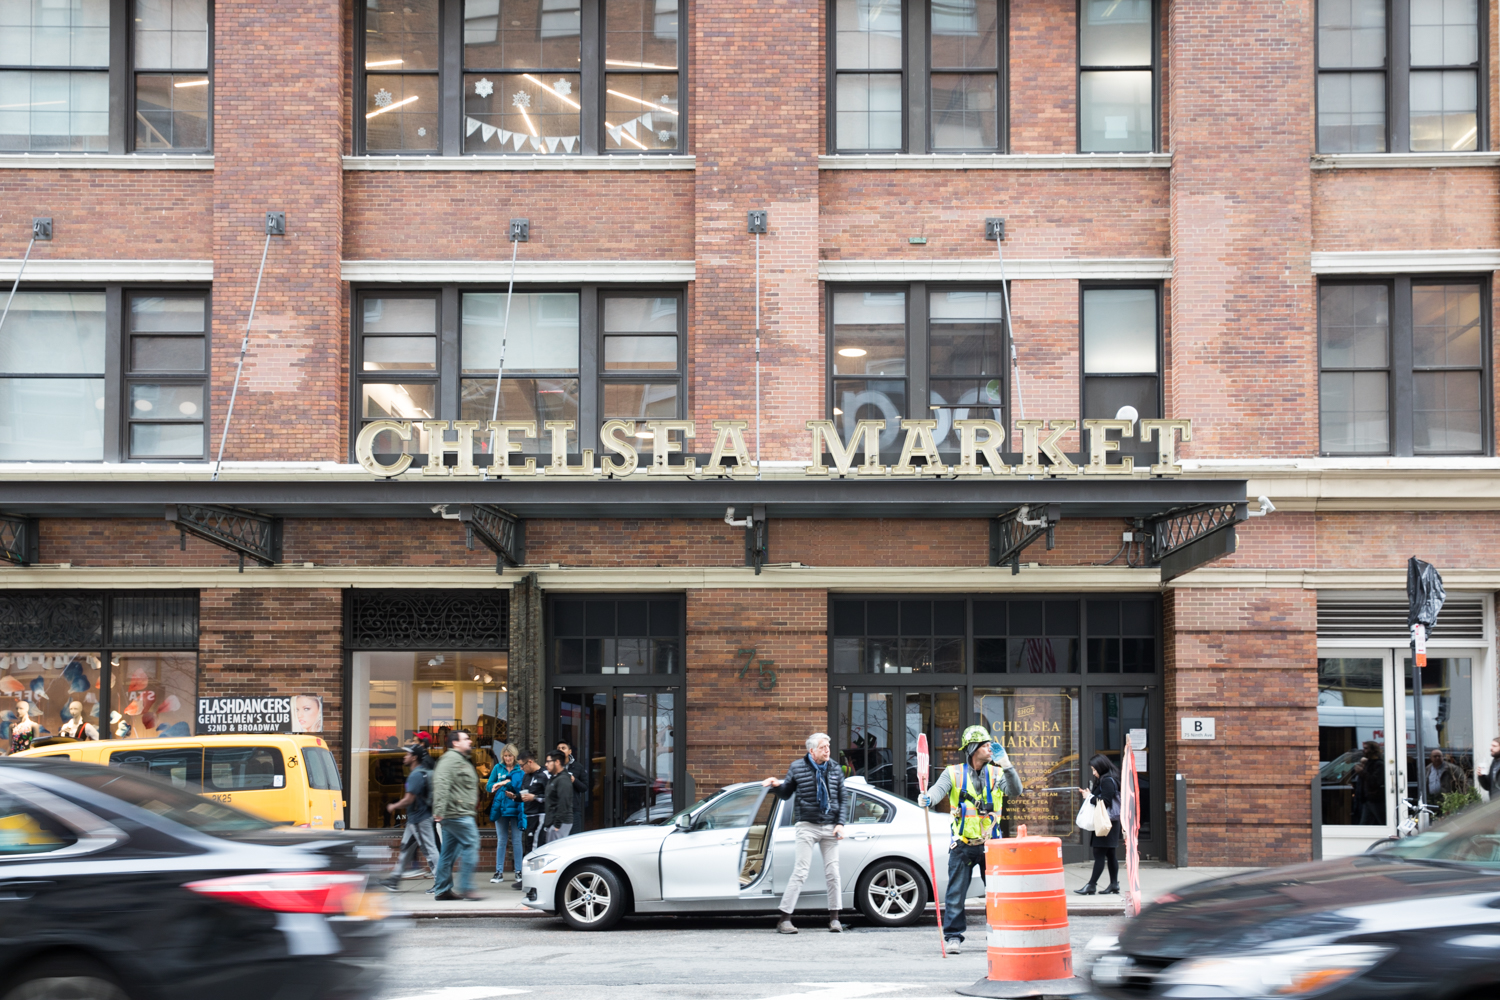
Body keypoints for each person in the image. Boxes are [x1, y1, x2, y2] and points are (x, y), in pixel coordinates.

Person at [917, 725, 1023, 953]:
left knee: (996, 895)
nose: (990, 748)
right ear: (973, 749)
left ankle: (998, 935)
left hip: (992, 845)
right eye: (986, 745)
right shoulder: (952, 773)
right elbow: (937, 792)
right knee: (955, 893)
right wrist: (926, 798)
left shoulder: (996, 773)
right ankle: (953, 937)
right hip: (962, 845)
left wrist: (1007, 764)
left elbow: (1015, 791)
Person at [762, 731, 850, 935]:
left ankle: (835, 919)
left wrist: (840, 823)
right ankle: (784, 920)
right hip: (807, 825)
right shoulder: (797, 767)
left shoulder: (836, 768)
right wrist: (776, 786)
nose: (827, 750)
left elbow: (843, 798)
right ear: (811, 750)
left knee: (833, 873)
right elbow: (786, 793)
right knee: (801, 871)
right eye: (822, 747)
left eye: (828, 747)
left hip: (830, 825)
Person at [430, 730, 481, 901]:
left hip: (455, 812)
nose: (470, 741)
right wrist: (439, 811)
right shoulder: (450, 760)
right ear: (455, 743)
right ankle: (466, 887)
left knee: (448, 852)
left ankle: (442, 890)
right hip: (457, 814)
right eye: (466, 739)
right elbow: (442, 784)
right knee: (471, 843)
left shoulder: (460, 760)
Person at [380, 742, 439, 889]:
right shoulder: (420, 773)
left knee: (429, 850)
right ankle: (394, 880)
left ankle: (441, 882)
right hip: (415, 819)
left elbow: (409, 799)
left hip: (420, 819)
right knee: (406, 848)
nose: (405, 757)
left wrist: (393, 806)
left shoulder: (416, 775)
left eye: (407, 754)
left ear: (414, 758)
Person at [1075, 754, 1121, 896]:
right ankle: (1114, 884)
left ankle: (1091, 885)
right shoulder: (1110, 778)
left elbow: (1104, 801)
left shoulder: (1107, 780)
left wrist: (1088, 797)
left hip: (1105, 823)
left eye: (1095, 769)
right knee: (1110, 854)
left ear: (1101, 767)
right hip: (1110, 822)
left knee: (1099, 853)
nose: (1094, 772)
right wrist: (1090, 795)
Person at [487, 743, 526, 886]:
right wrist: (498, 784)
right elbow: (488, 786)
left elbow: (522, 786)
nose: (507, 758)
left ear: (514, 756)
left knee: (517, 840)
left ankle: (518, 871)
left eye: (510, 755)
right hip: (501, 808)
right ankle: (499, 872)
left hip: (516, 807)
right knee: (501, 840)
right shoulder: (498, 768)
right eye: (505, 755)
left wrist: (505, 783)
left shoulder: (519, 769)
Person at [517, 751, 549, 868]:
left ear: (530, 762)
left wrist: (534, 797)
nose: (521, 768)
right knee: (529, 845)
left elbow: (550, 797)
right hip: (529, 815)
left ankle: (533, 876)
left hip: (540, 814)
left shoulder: (544, 774)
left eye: (522, 765)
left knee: (536, 845)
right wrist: (515, 797)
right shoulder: (526, 776)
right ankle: (527, 877)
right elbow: (523, 795)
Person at [556, 740, 589, 832]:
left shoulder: (578, 767)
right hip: (557, 809)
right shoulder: (553, 766)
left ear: (570, 751)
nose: (560, 750)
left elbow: (584, 787)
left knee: (574, 837)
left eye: (563, 748)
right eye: (558, 748)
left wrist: (574, 780)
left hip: (573, 809)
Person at [542, 751, 575, 842]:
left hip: (560, 823)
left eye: (548, 762)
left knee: (555, 852)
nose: (546, 764)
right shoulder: (555, 778)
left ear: (557, 762)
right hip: (552, 822)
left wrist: (557, 824)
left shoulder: (563, 780)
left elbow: (564, 802)